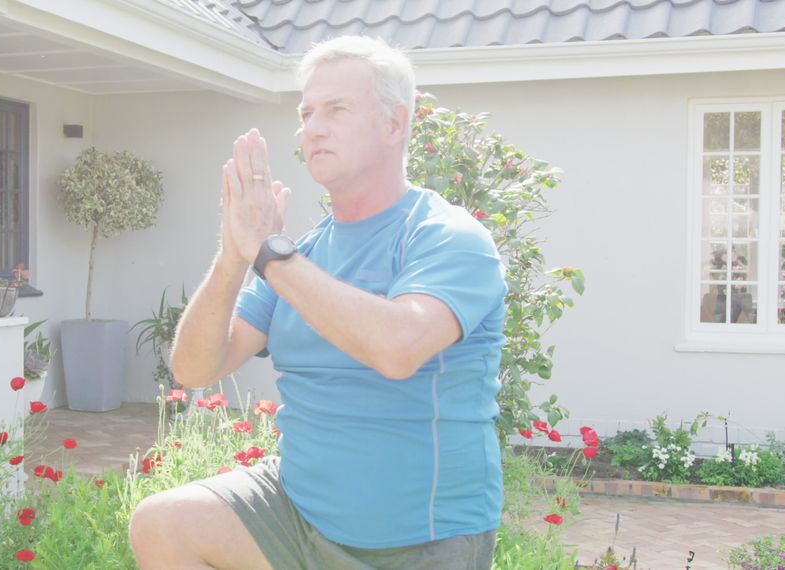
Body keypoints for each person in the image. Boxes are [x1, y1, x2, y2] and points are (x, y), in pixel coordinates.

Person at [129, 36, 507, 570]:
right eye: (307, 112)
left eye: (337, 109)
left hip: (420, 542)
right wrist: (236, 255)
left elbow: (397, 348)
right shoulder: (296, 257)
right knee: (164, 524)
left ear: (394, 123)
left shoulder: (446, 237)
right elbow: (194, 368)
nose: (314, 127)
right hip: (297, 516)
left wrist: (268, 253)